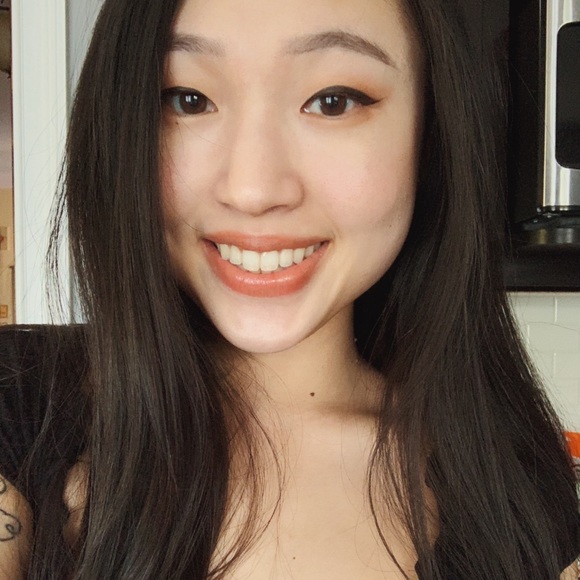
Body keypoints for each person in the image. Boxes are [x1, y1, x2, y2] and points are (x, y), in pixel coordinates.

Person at [0, 0, 579, 577]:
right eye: (187, 99)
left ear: (429, 134)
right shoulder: (18, 406)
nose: (253, 189)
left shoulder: (517, 493)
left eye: (333, 101)